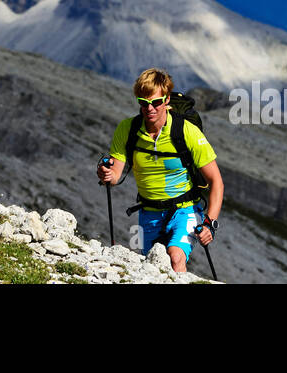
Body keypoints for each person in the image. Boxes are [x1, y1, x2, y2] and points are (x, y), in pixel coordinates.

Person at [96, 68, 224, 273]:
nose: (150, 109)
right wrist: (106, 174)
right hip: (149, 213)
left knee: (175, 257)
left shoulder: (186, 131)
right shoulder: (127, 129)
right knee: (154, 268)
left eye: (156, 102)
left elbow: (216, 181)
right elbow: (114, 177)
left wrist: (209, 224)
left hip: (185, 210)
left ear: (166, 100)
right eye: (143, 103)